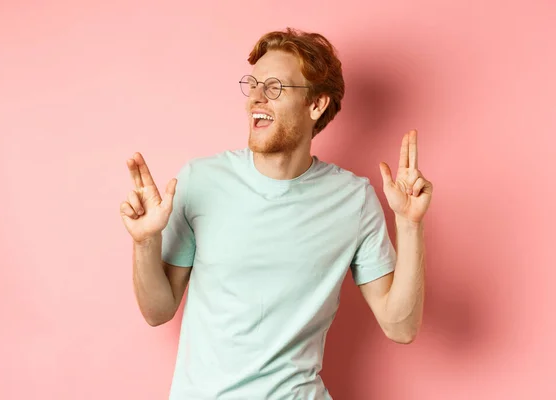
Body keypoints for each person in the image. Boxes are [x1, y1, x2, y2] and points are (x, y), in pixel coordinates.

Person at [120, 28, 433, 400]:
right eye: (252, 85)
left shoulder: (353, 199)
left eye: (274, 87)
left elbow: (400, 327)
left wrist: (410, 225)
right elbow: (158, 310)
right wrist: (145, 242)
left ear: (316, 105)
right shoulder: (200, 181)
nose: (256, 98)